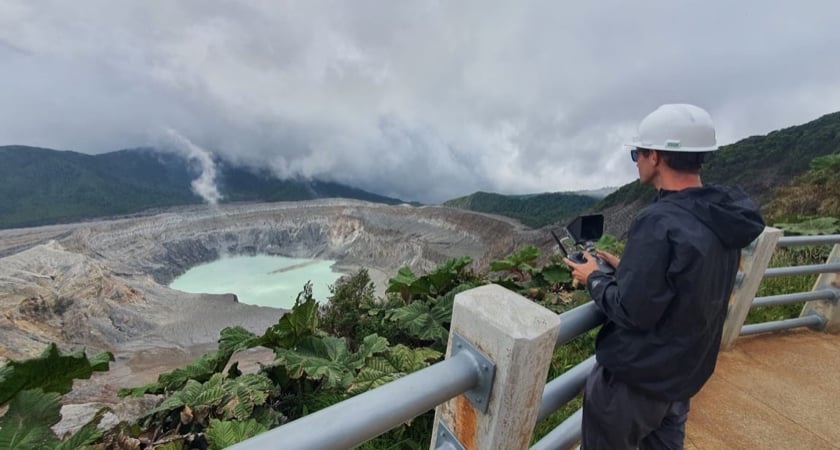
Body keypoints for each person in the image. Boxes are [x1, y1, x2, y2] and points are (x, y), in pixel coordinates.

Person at [564, 104, 765, 450]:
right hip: (683, 376)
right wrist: (631, 266)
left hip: (636, 383)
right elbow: (687, 278)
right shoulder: (722, 214)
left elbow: (631, 311)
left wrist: (593, 277)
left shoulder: (659, 221)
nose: (637, 161)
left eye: (636, 153)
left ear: (655, 156)